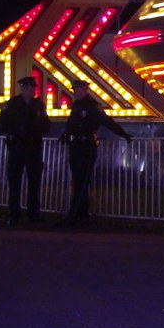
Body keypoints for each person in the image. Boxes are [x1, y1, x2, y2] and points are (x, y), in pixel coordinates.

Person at [56, 79, 131, 228]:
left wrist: (123, 134)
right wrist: (66, 134)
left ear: (85, 89)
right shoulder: (77, 105)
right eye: (74, 89)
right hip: (76, 146)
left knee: (81, 182)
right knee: (78, 181)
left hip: (86, 147)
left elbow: (107, 121)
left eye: (77, 89)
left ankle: (73, 216)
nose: (75, 92)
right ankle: (82, 215)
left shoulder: (92, 106)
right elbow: (72, 124)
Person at [0, 75, 51, 226]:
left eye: (34, 88)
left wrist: (37, 128)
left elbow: (46, 126)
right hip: (17, 148)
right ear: (23, 88)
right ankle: (14, 214)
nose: (33, 91)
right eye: (30, 88)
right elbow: (2, 124)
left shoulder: (38, 105)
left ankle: (33, 215)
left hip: (33, 148)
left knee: (34, 182)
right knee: (15, 182)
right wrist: (18, 131)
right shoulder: (12, 104)